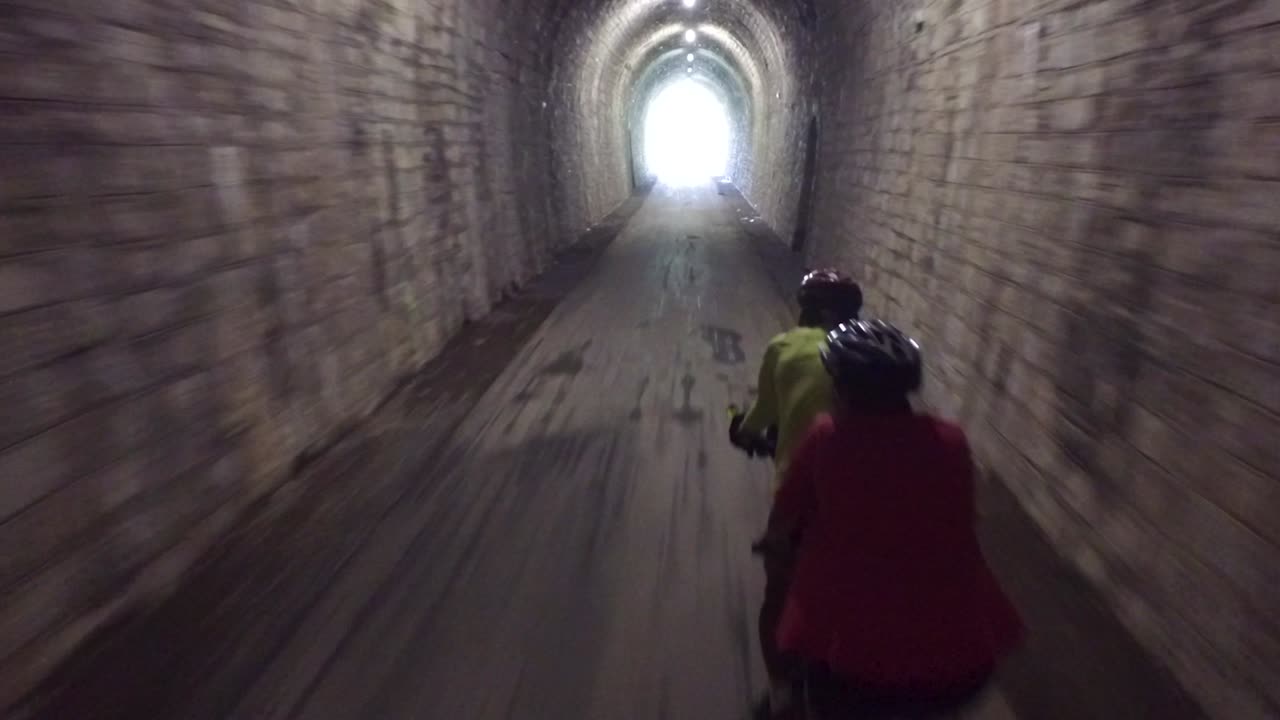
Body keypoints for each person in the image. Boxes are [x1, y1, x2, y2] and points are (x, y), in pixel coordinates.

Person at [761, 319, 1025, 718]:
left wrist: (778, 544)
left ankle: (784, 693)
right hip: (962, 655)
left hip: (853, 662)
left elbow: (784, 519)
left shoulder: (827, 437)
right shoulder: (951, 441)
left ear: (842, 386)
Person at [728, 269, 862, 719]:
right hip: (861, 497)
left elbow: (762, 415)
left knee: (779, 599)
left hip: (799, 500)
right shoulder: (865, 358)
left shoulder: (784, 347)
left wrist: (742, 430)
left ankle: (783, 689)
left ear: (809, 309)